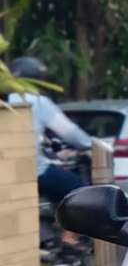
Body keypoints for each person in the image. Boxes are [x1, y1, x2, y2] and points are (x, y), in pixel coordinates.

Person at [6, 57, 92, 205]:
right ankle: (69, 227)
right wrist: (90, 144)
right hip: (34, 172)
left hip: (8, 173)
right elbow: (70, 133)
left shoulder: (5, 102)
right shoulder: (37, 102)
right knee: (81, 191)